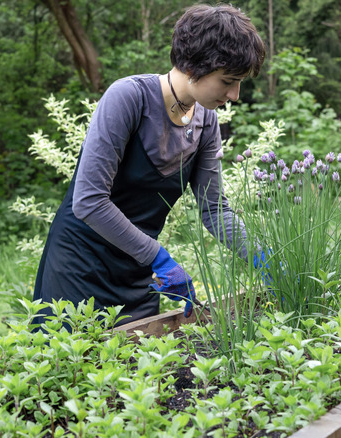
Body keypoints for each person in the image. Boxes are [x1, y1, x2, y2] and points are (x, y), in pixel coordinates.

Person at [32, 3, 266, 327]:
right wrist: (158, 256)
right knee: (73, 369)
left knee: (143, 370)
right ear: (196, 66)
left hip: (137, 272)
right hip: (79, 268)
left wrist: (265, 258)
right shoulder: (128, 98)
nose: (235, 94)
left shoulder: (206, 122)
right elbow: (89, 201)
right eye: (228, 80)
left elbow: (215, 211)